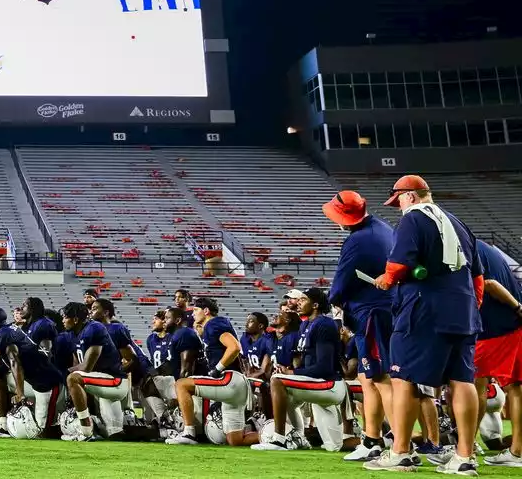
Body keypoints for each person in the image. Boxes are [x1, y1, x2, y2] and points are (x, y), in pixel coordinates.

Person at [368, 175, 483, 474]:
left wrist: (386, 279)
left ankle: (400, 452)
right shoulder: (458, 222)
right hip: (464, 309)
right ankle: (464, 458)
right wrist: (468, 305)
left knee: (403, 377)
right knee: (462, 380)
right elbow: (478, 277)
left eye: (398, 201)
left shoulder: (412, 219)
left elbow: (399, 263)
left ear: (409, 197)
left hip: (423, 309)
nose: (398, 208)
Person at [322, 189, 397, 462]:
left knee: (383, 379)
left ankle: (400, 447)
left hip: (372, 314)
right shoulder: (382, 228)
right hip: (384, 310)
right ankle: (372, 439)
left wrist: (334, 302)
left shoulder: (357, 240)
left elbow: (340, 285)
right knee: (369, 378)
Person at [252, 288, 349, 452]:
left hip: (329, 384)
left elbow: (324, 366)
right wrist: (289, 368)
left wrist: (292, 374)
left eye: (303, 300)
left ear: (315, 305)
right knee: (335, 446)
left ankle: (280, 439)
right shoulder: (305, 324)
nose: (298, 302)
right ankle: (299, 438)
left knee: (278, 381)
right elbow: (306, 361)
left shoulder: (324, 324)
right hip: (317, 383)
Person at [167, 297, 259, 446]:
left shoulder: (214, 324)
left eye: (196, 310)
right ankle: (274, 434)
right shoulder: (211, 326)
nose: (193, 314)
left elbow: (235, 347)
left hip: (229, 379)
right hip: (236, 384)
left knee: (181, 385)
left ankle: (189, 433)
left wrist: (217, 368)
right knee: (236, 440)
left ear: (206, 311)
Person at [473, 239, 522, 467]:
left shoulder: (466, 248)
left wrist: (518, 307)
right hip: (509, 326)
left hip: (491, 328)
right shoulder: (488, 249)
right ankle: (516, 451)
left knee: (475, 387)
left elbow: (489, 284)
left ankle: (467, 447)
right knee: (515, 388)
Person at [0, 307, 65, 437]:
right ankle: (4, 427)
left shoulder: (2, 335)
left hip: (46, 382)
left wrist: (20, 393)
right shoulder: (8, 330)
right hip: (33, 379)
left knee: (41, 431)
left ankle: (67, 430)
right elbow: (8, 362)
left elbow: (14, 361)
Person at [62, 301, 130, 440]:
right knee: (115, 434)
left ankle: (85, 430)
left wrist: (65, 372)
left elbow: (86, 367)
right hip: (101, 380)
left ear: (75, 319)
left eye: (65, 317)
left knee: (73, 378)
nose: (63, 320)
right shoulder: (73, 334)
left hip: (114, 380)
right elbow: (78, 364)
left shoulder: (94, 328)